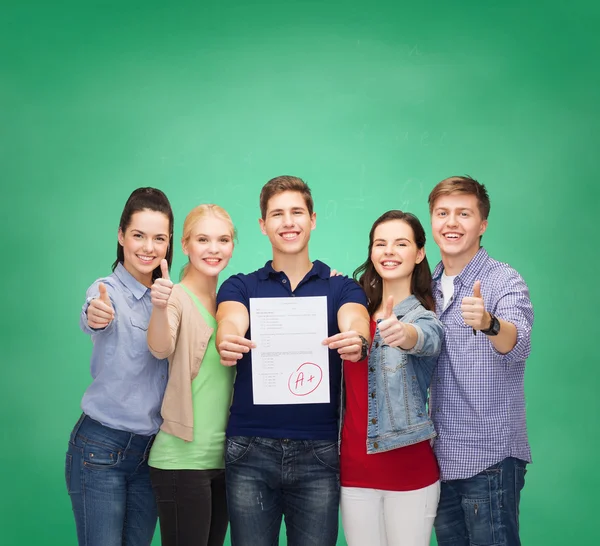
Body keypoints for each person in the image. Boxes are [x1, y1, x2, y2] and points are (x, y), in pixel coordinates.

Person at [215, 175, 370, 546]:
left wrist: (358, 338)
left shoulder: (342, 287)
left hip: (318, 452)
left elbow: (356, 318)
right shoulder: (240, 285)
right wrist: (227, 337)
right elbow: (230, 318)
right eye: (277, 214)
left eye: (297, 212)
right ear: (262, 225)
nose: (288, 222)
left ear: (312, 219)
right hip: (249, 449)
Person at [428, 176, 534, 546]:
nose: (451, 223)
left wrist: (489, 323)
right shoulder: (427, 285)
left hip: (488, 457)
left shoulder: (503, 280)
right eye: (443, 213)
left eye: (464, 214)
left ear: (482, 224)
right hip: (439, 457)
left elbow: (516, 340)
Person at [65, 187, 174, 546]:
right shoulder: (105, 291)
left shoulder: (169, 298)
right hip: (100, 449)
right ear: (121, 235)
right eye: (138, 235)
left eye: (159, 238)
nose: (148, 247)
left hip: (150, 453)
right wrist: (95, 315)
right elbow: (94, 316)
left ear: (169, 242)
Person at [339, 210, 444, 546]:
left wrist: (401, 332)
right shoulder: (351, 313)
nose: (389, 251)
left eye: (401, 243)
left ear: (419, 252)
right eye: (380, 243)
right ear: (371, 252)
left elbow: (426, 338)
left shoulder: (423, 318)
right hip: (353, 473)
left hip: (410, 475)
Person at [146, 204, 236, 546]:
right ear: (184, 245)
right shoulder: (175, 296)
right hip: (181, 460)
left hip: (223, 460)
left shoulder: (229, 301)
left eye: (223, 239)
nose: (213, 249)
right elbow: (159, 346)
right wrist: (159, 306)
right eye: (203, 239)